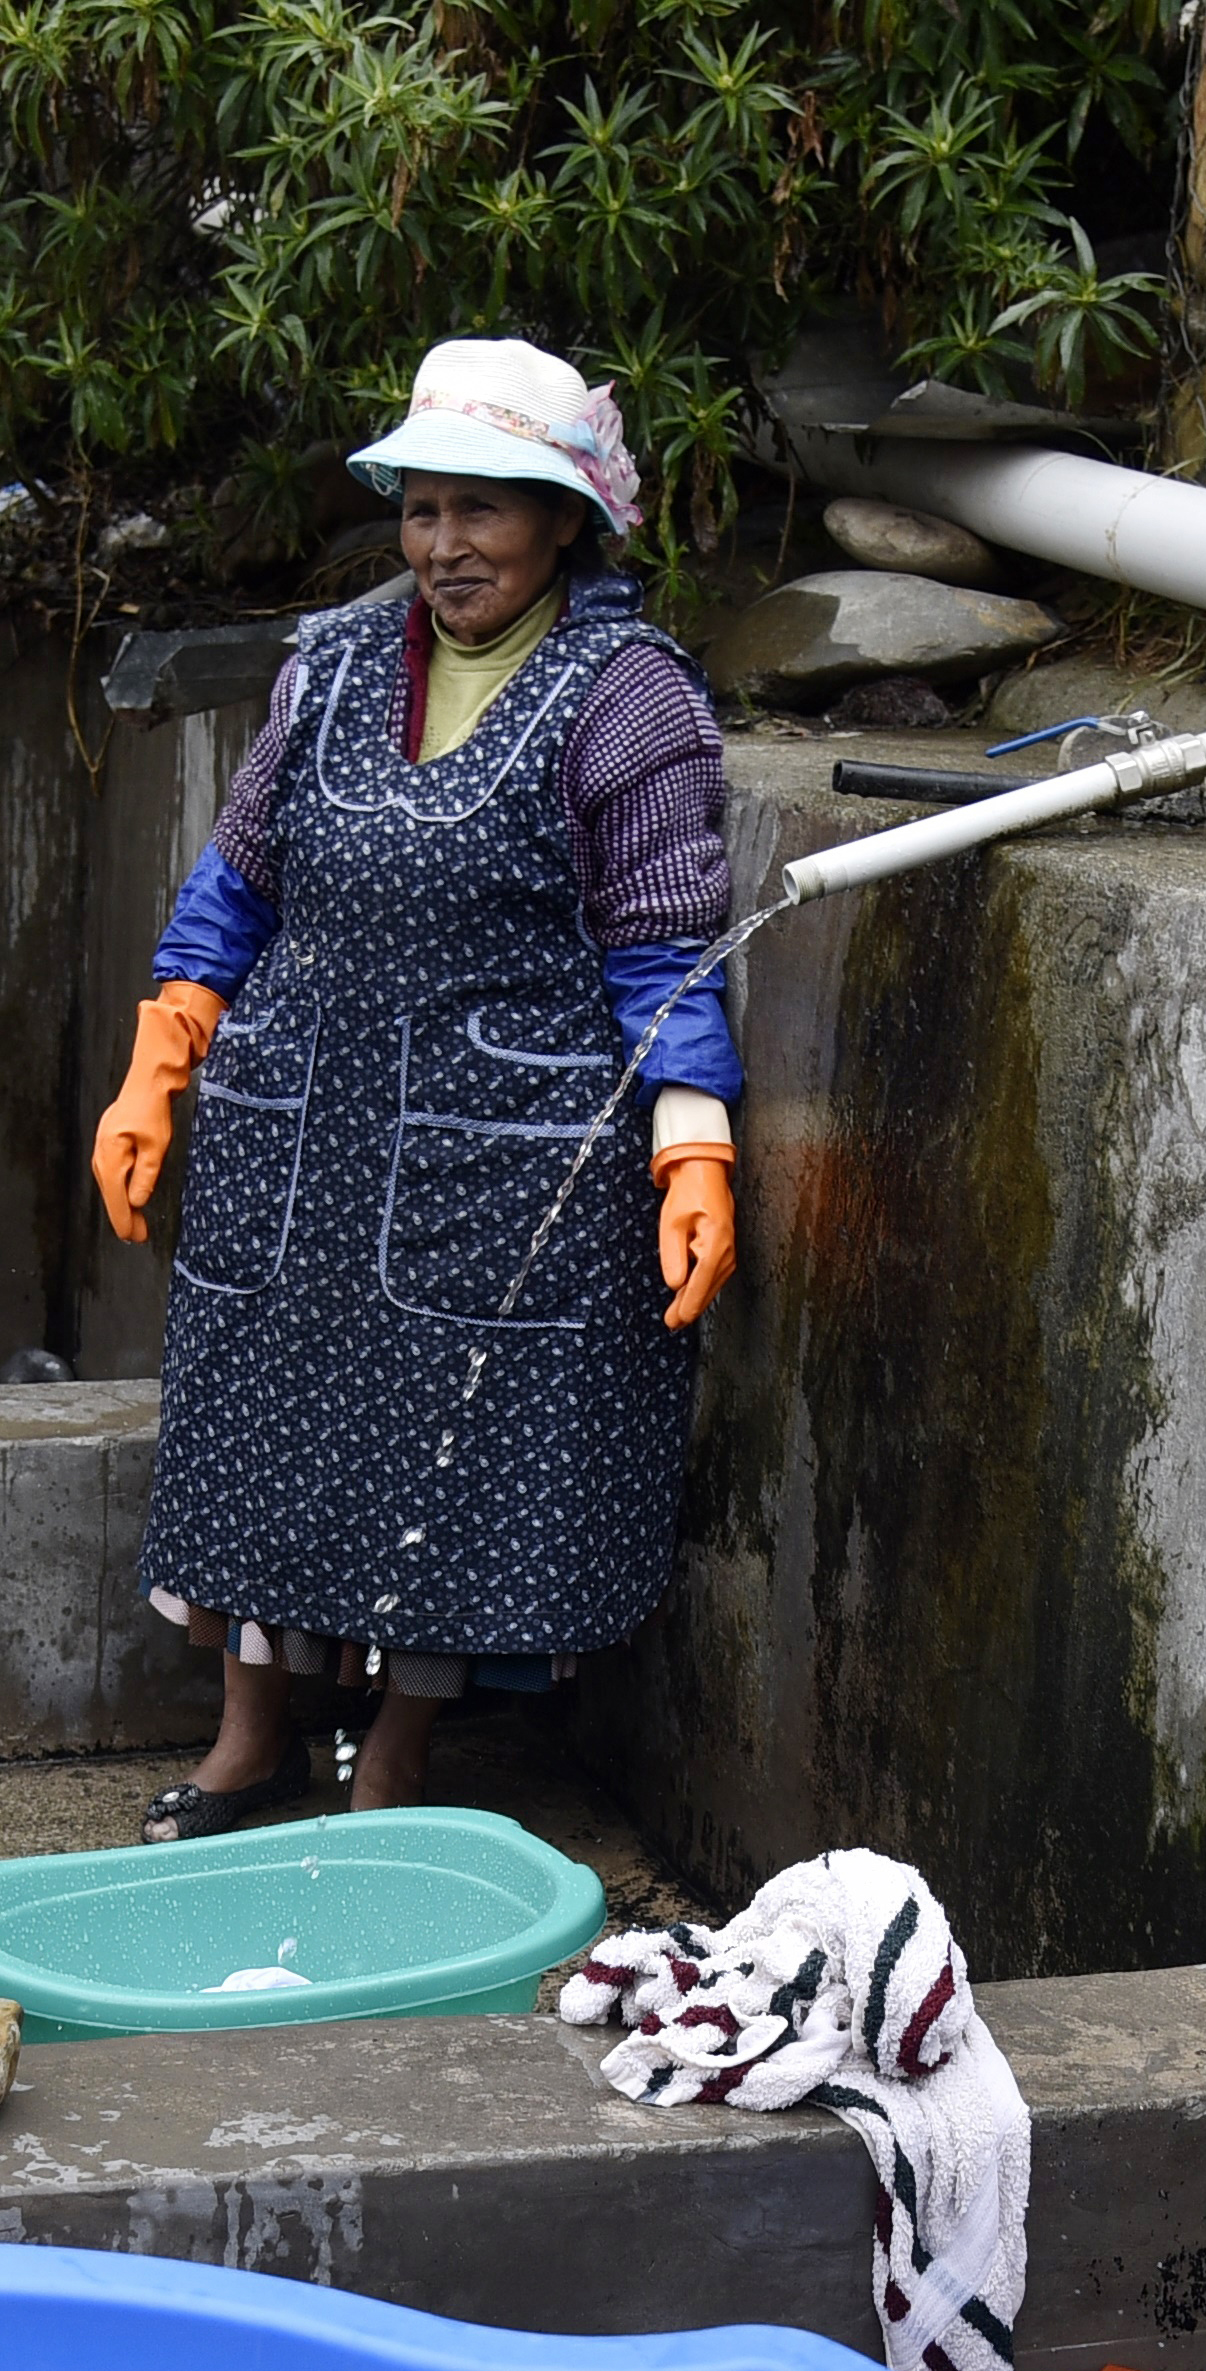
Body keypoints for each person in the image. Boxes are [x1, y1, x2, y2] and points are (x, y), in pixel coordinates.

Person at [89, 337, 743, 1838]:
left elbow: (666, 945)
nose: (447, 546)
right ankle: (247, 1747)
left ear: (567, 520)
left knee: (450, 1451)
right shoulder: (328, 666)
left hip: (496, 1155)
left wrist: (690, 1142)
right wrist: (163, 1049)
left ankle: (393, 1764)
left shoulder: (628, 698)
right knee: (256, 1424)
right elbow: (238, 879)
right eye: (424, 508)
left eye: (487, 512)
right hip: (295, 1131)